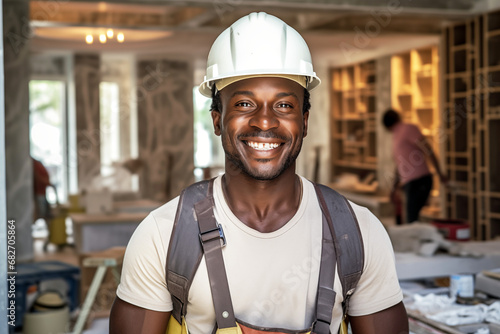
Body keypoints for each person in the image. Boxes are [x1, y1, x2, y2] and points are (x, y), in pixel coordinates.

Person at [110, 12, 408, 334]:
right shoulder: (162, 235)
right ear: (216, 120)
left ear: (304, 122)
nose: (264, 122)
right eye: (243, 105)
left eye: (283, 106)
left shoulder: (358, 232)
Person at [382, 109, 448, 224]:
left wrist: (440, 173)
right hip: (410, 183)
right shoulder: (397, 135)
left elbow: (427, 149)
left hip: (419, 181)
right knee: (410, 219)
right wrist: (393, 189)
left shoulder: (408, 129)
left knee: (411, 220)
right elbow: (400, 165)